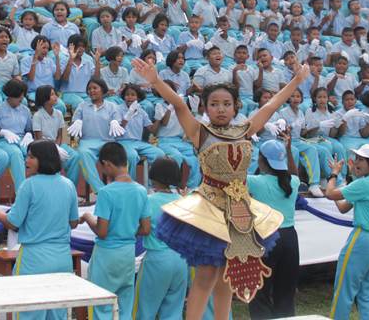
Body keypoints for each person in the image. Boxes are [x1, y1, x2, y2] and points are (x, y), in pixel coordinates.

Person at [131, 56, 307, 320]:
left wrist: (296, 80)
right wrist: (155, 81)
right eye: (214, 104)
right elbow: (178, 104)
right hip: (210, 208)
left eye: (226, 104)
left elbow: (271, 106)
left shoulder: (245, 130)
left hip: (240, 212)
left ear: (236, 106)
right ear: (205, 107)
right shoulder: (200, 132)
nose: (221, 109)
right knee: (206, 275)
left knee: (227, 276)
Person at [0, 140, 80, 320]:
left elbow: (13, 223)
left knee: (29, 314)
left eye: (31, 157)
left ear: (44, 159)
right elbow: (74, 223)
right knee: (57, 315)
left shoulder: (29, 185)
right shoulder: (68, 185)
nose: (26, 160)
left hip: (34, 260)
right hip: (62, 258)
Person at [325, 144, 369, 320]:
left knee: (344, 290)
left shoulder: (364, 184)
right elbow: (343, 207)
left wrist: (334, 174)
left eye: (360, 159)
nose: (356, 162)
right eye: (356, 158)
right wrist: (350, 179)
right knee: (368, 293)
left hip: (363, 240)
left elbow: (330, 193)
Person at [82, 142, 151, 320]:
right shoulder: (141, 191)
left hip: (106, 256)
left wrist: (88, 218)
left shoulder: (106, 192)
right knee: (124, 308)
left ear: (107, 164)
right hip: (127, 255)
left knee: (101, 307)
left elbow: (102, 231)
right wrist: (127, 230)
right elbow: (145, 228)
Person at [248, 138, 301, 319]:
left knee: (259, 293)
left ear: (261, 160)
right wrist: (288, 151)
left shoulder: (255, 182)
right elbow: (294, 174)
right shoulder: (293, 182)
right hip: (290, 239)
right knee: (285, 293)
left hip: (266, 237)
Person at [135, 158, 188, 320]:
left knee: (145, 310)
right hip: (181, 260)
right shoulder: (183, 201)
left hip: (156, 259)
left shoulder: (149, 200)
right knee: (173, 312)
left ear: (154, 176)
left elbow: (139, 227)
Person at [68, 77, 122, 195]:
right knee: (82, 153)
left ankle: (119, 190)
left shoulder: (112, 106)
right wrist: (76, 122)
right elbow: (73, 128)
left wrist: (115, 122)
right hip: (87, 142)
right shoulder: (82, 106)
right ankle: (100, 190)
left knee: (120, 155)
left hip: (107, 142)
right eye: (89, 89)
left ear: (103, 90)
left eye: (95, 88)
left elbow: (119, 124)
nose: (91, 91)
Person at [0, 79, 33, 191]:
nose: (21, 99)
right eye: (18, 97)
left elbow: (29, 129)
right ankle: (21, 192)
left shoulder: (25, 110)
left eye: (22, 96)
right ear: (10, 95)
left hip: (22, 140)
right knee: (16, 154)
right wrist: (2, 132)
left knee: (37, 153)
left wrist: (29, 134)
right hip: (3, 141)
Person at [32, 85, 79, 184]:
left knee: (75, 156)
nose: (56, 97)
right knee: (53, 160)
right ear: (44, 98)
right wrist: (53, 148)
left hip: (58, 144)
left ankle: (71, 187)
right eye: (52, 95)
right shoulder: (37, 116)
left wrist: (57, 146)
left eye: (55, 94)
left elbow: (60, 135)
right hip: (44, 146)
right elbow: (38, 138)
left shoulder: (59, 113)